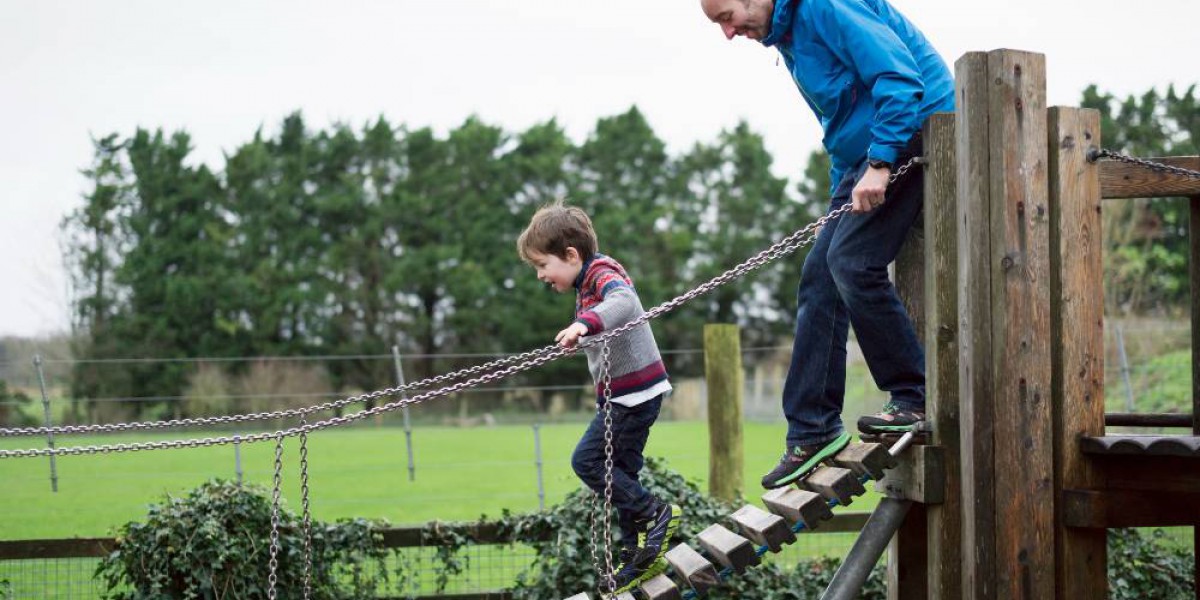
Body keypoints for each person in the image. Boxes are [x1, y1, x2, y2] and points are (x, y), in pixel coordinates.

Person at [698, 0, 955, 489]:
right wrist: (838, 196)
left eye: (727, 17)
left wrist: (880, 163)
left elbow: (899, 77)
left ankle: (914, 396)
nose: (729, 33)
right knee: (819, 277)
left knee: (853, 262)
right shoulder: (789, 37)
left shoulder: (824, 6)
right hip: (862, 157)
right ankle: (812, 430)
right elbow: (840, 122)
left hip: (915, 131)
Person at [517, 201, 681, 593]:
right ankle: (636, 555)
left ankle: (655, 513)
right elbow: (606, 322)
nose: (541, 275)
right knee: (622, 472)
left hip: (632, 396)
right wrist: (584, 333)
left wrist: (582, 323)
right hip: (628, 395)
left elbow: (624, 302)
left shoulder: (600, 273)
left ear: (570, 255)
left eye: (543, 265)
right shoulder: (585, 282)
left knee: (587, 461)